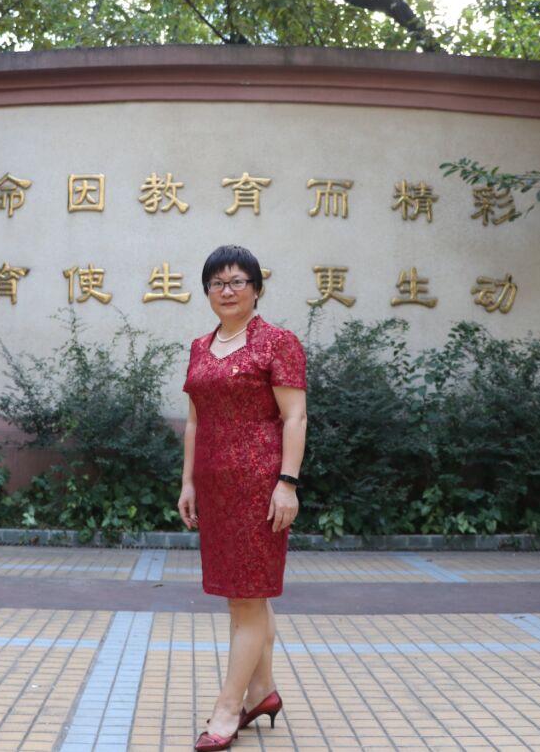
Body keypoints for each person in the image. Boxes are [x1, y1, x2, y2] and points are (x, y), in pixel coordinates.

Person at [179, 245, 307, 752]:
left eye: (237, 282)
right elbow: (194, 422)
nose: (226, 291)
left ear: (256, 288)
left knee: (248, 598)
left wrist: (287, 482)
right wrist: (188, 482)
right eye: (217, 283)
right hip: (214, 487)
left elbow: (295, 417)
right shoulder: (199, 346)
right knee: (243, 596)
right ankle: (262, 692)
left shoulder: (278, 342)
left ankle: (228, 708)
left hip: (259, 486)